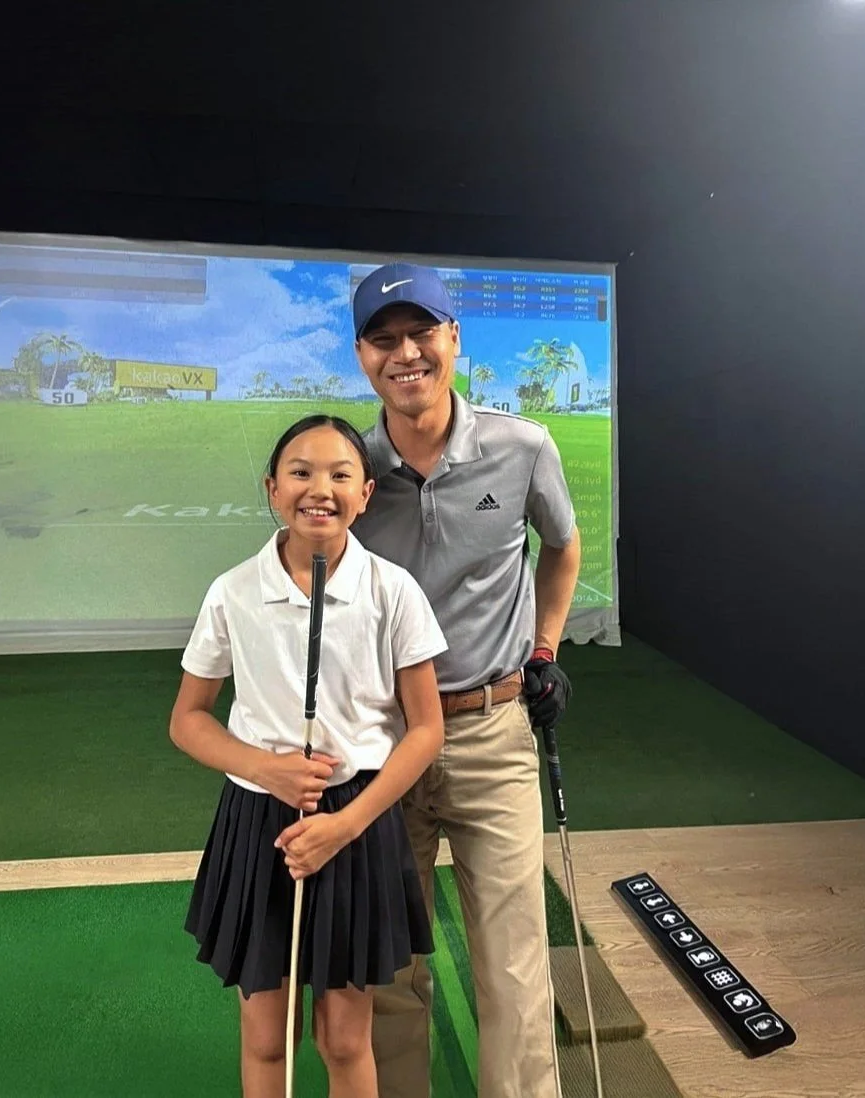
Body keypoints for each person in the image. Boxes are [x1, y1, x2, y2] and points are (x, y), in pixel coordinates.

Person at [349, 263, 582, 1098]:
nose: (405, 354)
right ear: (362, 355)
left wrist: (546, 647)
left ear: (453, 340)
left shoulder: (523, 447)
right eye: (384, 340)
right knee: (387, 965)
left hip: (493, 729)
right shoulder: (352, 470)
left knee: (515, 965)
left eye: (421, 334)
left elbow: (562, 546)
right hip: (382, 744)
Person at [169, 414, 448, 1098]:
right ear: (271, 487)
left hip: (356, 821)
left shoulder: (393, 591)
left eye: (339, 474)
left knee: (345, 1039)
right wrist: (266, 768)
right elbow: (188, 718)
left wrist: (344, 827)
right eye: (300, 471)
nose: (318, 488)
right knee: (268, 1038)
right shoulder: (233, 591)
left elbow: (426, 730)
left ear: (365, 494)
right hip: (258, 819)